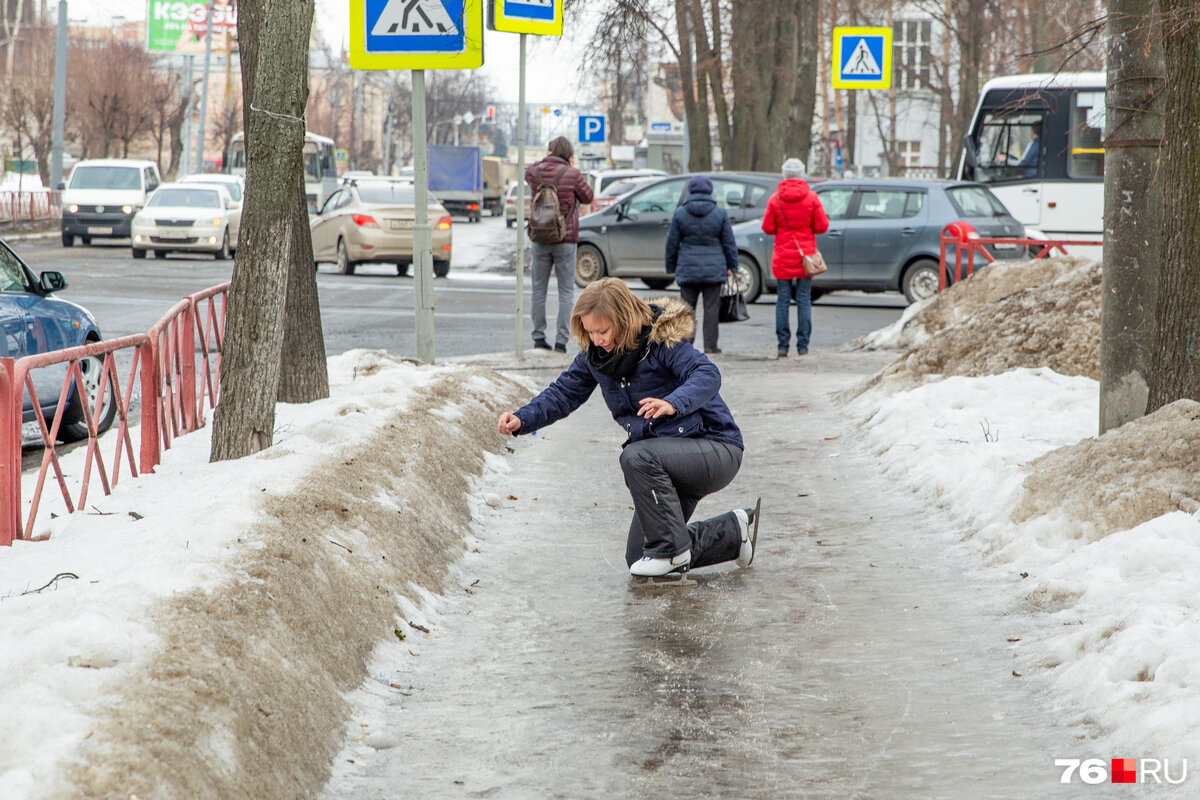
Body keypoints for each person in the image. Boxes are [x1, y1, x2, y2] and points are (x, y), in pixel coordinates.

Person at [496, 278, 760, 579]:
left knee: (636, 457)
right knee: (640, 559)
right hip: (665, 462)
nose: (597, 339)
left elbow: (707, 373)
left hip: (715, 447)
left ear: (624, 320)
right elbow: (562, 394)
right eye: (590, 332)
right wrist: (523, 419)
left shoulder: (661, 342)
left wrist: (673, 402)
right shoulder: (595, 358)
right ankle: (731, 533)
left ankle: (672, 550)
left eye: (603, 331)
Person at [524, 136, 594, 353]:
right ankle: (561, 342)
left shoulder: (534, 173)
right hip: (566, 238)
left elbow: (528, 169)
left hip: (540, 236)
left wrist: (544, 160)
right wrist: (571, 168)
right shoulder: (572, 174)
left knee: (538, 289)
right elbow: (588, 197)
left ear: (549, 152)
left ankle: (538, 338)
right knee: (565, 291)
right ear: (569, 154)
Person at [761, 158, 829, 358]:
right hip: (805, 257)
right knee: (804, 300)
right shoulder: (812, 198)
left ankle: (782, 346)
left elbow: (768, 228)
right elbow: (822, 226)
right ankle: (803, 346)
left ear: (784, 175)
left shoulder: (775, 199)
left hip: (783, 257)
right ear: (802, 174)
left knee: (782, 300)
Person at [665, 175, 738, 355]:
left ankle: (686, 347)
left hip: (688, 269)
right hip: (714, 269)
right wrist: (732, 266)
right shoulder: (720, 213)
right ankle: (710, 346)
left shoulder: (680, 213)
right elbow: (729, 243)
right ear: (710, 191)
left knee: (686, 310)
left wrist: (671, 267)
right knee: (711, 309)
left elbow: (671, 243)